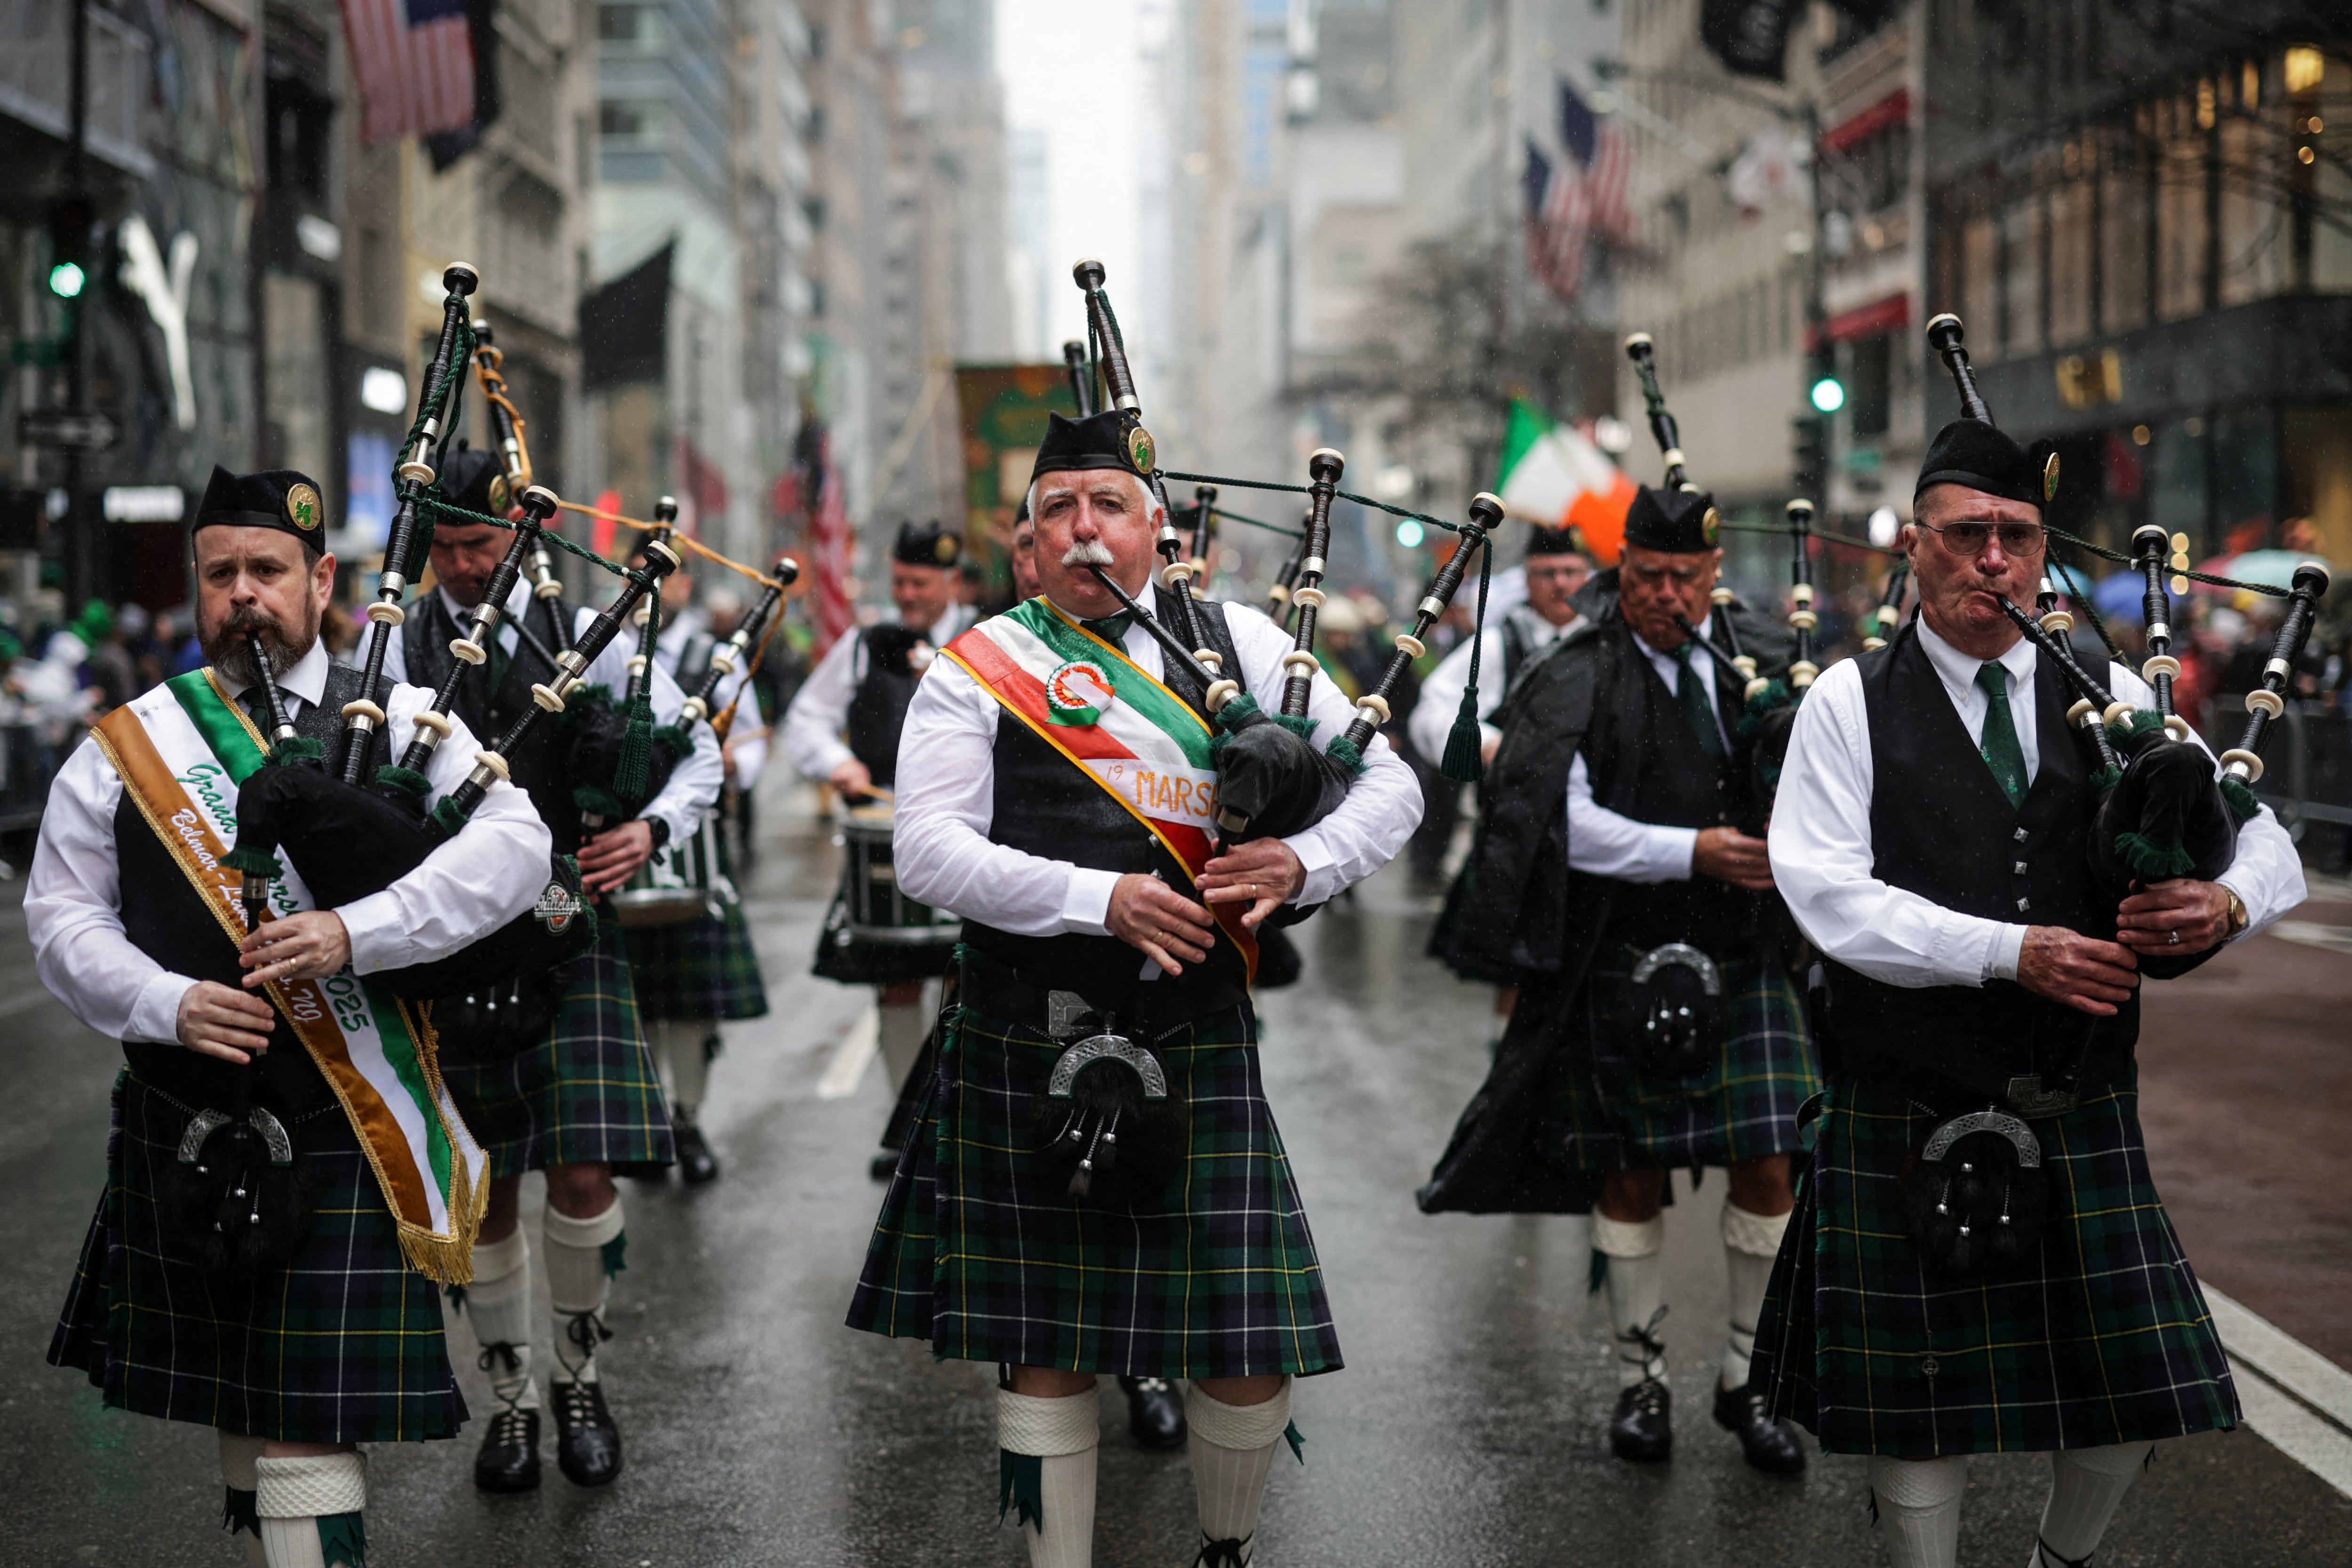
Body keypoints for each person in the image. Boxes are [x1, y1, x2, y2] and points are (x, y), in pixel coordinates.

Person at [847, 411, 1422, 1568]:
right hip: (1030, 1018)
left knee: (1246, 1343)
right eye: (1057, 508)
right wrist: (1095, 897)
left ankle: (1224, 1551)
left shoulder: (1250, 645)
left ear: (1158, 530)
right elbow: (929, 853)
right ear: (1027, 548)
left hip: (1193, 1023)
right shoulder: (977, 671)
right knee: (1048, 1342)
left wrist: (1301, 861)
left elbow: (1389, 784)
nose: (1085, 528)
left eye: (1108, 503)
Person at [1755, 410, 2306, 1568]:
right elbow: (1825, 894)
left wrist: (2223, 902)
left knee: (2133, 1397)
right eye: (1964, 534)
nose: (1991, 560)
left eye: (2015, 534)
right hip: (1904, 1094)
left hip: (2079, 1097)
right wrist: (2014, 951)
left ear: (2044, 549)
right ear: (1914, 544)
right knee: (1916, 1411)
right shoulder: (1848, 702)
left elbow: (2265, 843)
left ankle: (2060, 1561)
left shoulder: (2117, 697)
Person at [32, 465, 550, 1567]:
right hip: (190, 1110)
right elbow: (62, 918)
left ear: (323, 581)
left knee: (300, 1425)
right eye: (220, 574)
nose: (244, 594)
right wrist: (164, 1001)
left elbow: (519, 850)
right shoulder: (129, 742)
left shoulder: (408, 720)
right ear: (196, 588)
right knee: (251, 1412)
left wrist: (361, 930)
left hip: (343, 1115)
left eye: (268, 570)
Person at [1418, 484, 1815, 1475]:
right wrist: (1698, 851)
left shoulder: (1760, 663)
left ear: (1714, 576)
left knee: (1770, 1162)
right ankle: (1642, 1379)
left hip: (1743, 950)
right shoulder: (1574, 671)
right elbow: (1568, 820)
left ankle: (1744, 1376)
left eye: (1685, 577)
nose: (1665, 595)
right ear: (1620, 572)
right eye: (1647, 577)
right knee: (1628, 1171)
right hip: (1620, 950)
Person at [381, 451, 722, 1494]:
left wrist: (653, 825)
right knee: (484, 1188)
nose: (462, 565)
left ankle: (579, 1375)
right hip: (444, 932)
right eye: (443, 547)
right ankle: (511, 1397)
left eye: (480, 545)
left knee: (581, 1174)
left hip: (565, 920)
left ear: (522, 536)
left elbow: (698, 746)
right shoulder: (389, 639)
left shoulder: (583, 631)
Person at [782, 518, 976, 1165]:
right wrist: (838, 762)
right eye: (899, 582)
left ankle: (958, 1124)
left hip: (977, 836)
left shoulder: (991, 639)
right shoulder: (868, 644)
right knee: (896, 986)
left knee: (964, 986)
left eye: (920, 582)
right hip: (886, 832)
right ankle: (911, 1129)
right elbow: (807, 717)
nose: (908, 595)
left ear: (952, 581)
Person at [626, 567, 774, 1184]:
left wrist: (736, 763)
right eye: (646, 570)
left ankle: (687, 1119)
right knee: (638, 1005)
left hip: (695, 849)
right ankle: (652, 1118)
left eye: (674, 573)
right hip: (621, 852)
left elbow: (752, 740)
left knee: (689, 1009)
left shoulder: (715, 654)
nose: (661, 584)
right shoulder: (607, 650)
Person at [1420, 525, 1595, 1019]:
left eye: (1570, 572)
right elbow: (1432, 707)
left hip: (1594, 829)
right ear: (1527, 580)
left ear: (1588, 576)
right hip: (1519, 834)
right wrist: (1489, 745)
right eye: (1546, 573)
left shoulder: (1609, 641)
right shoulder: (1500, 644)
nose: (1560, 584)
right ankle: (1509, 1058)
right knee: (1517, 968)